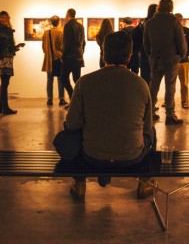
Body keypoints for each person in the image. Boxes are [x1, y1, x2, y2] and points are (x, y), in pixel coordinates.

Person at [65, 30, 156, 200]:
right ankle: (145, 184)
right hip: (131, 156)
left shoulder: (85, 82)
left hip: (92, 155)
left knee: (73, 133)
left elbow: (72, 124)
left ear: (103, 53)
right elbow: (147, 126)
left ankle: (79, 185)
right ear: (130, 56)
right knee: (153, 133)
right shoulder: (141, 84)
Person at [143, 0, 187, 125]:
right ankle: (169, 115)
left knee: (153, 87)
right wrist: (181, 55)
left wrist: (151, 55)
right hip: (171, 60)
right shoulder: (174, 21)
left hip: (156, 59)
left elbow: (146, 43)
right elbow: (181, 41)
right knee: (170, 87)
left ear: (159, 7)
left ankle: (149, 113)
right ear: (171, 7)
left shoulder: (150, 23)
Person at [0, 11, 25, 115]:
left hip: (8, 58)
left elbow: (10, 46)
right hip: (3, 58)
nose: (3, 19)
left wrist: (17, 46)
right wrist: (8, 28)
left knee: (4, 83)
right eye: (1, 17)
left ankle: (0, 107)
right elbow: (5, 38)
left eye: (5, 17)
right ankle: (5, 108)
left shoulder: (7, 30)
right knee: (5, 83)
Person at [61, 8, 86, 106]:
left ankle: (72, 97)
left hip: (69, 56)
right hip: (78, 56)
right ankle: (79, 101)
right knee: (77, 79)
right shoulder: (80, 26)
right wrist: (81, 53)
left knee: (63, 77)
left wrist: (63, 56)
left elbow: (67, 42)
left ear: (68, 15)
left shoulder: (68, 25)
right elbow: (83, 42)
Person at [41, 15, 68, 106]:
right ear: (59, 22)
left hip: (49, 60)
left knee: (49, 80)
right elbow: (62, 47)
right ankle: (61, 99)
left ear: (51, 22)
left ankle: (49, 99)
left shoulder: (46, 33)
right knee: (61, 80)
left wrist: (48, 54)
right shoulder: (61, 32)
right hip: (59, 60)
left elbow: (43, 47)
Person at [175, 13, 189, 109]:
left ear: (182, 20)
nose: (178, 21)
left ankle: (185, 101)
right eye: (176, 19)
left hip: (184, 61)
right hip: (173, 61)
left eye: (180, 19)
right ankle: (169, 101)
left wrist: (186, 54)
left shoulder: (188, 31)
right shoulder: (170, 31)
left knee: (184, 83)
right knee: (170, 83)